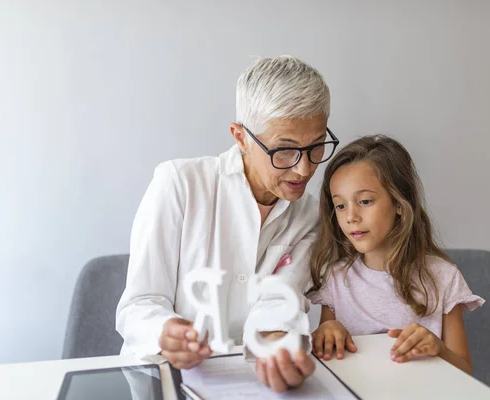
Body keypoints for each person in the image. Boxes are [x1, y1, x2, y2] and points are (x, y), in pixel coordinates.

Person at [116, 55, 339, 393]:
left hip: (253, 386)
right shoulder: (179, 184)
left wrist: (277, 343)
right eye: (285, 151)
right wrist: (165, 331)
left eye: (317, 146)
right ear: (241, 137)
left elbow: (279, 303)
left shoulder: (310, 216)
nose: (304, 170)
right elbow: (139, 304)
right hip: (163, 383)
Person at [307, 135, 484, 375]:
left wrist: (438, 349)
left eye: (365, 201)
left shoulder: (444, 278)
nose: (351, 217)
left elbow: (466, 374)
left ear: (400, 203)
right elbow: (329, 362)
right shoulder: (336, 279)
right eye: (340, 205)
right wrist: (327, 331)